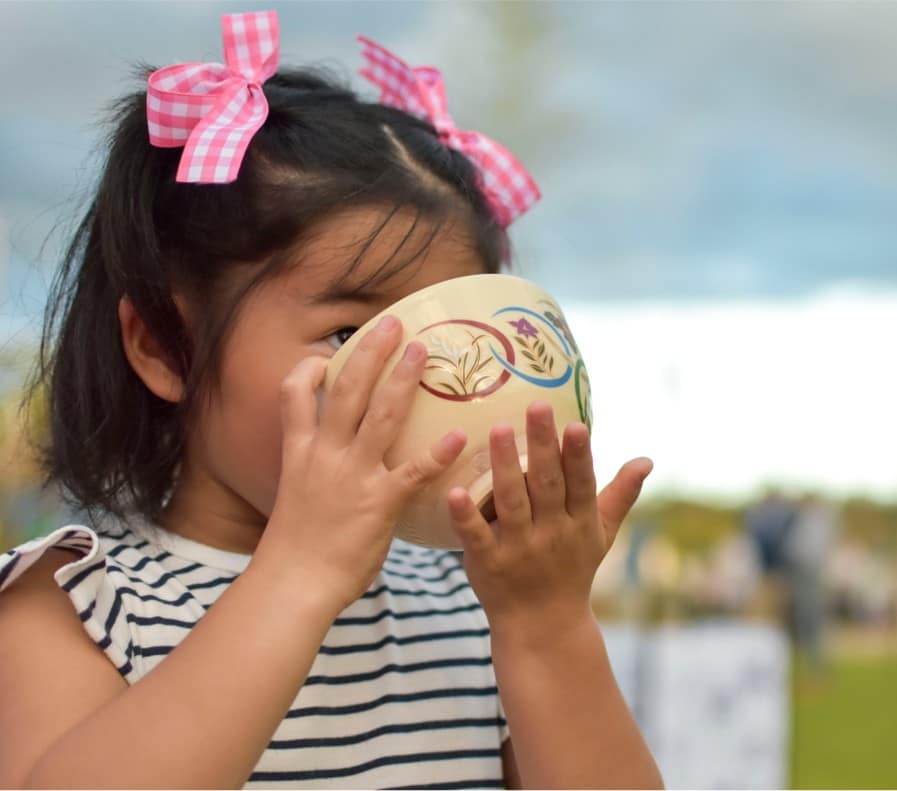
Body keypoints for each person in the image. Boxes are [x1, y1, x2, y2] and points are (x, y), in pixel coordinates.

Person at [0, 12, 661, 789]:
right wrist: (298, 576)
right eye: (350, 334)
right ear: (161, 346)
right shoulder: (80, 601)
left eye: (452, 341)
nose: (415, 379)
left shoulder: (470, 604)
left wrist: (547, 627)